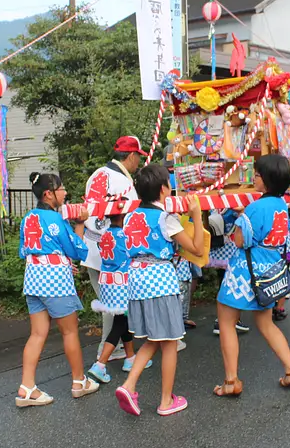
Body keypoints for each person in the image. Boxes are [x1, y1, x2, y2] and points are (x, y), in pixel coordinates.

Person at [114, 164, 205, 417]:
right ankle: (166, 401)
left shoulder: (131, 217)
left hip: (136, 282)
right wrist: (196, 215)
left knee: (155, 339)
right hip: (160, 282)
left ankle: (129, 386)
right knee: (170, 341)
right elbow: (197, 248)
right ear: (164, 188)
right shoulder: (165, 218)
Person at [214, 154, 290, 396]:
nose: (254, 178)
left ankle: (231, 381)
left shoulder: (255, 208)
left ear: (267, 179)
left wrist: (240, 218)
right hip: (269, 275)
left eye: (257, 174)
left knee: (226, 322)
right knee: (266, 323)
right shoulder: (281, 206)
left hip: (244, 274)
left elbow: (240, 241)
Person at [15, 173, 99, 406]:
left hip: (33, 279)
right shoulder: (55, 219)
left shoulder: (28, 218)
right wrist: (81, 223)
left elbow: (25, 250)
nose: (64, 193)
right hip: (55, 281)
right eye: (61, 189)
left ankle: (27, 386)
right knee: (70, 331)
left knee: (37, 333)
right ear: (48, 194)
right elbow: (77, 250)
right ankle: (78, 381)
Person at [83, 137, 146, 362]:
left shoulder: (96, 175)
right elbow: (132, 218)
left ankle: (117, 349)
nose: (139, 162)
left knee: (109, 302)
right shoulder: (123, 182)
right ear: (130, 156)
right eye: (138, 156)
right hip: (116, 250)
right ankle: (106, 351)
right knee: (117, 305)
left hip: (92, 246)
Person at [88, 213, 153, 384]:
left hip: (110, 283)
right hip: (124, 283)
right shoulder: (125, 236)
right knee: (119, 324)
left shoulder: (105, 234)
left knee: (122, 319)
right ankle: (100, 364)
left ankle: (130, 357)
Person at [209, 210, 251, 336]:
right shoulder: (233, 208)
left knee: (224, 285)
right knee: (232, 286)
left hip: (218, 248)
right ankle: (230, 319)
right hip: (231, 249)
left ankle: (222, 319)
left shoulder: (215, 206)